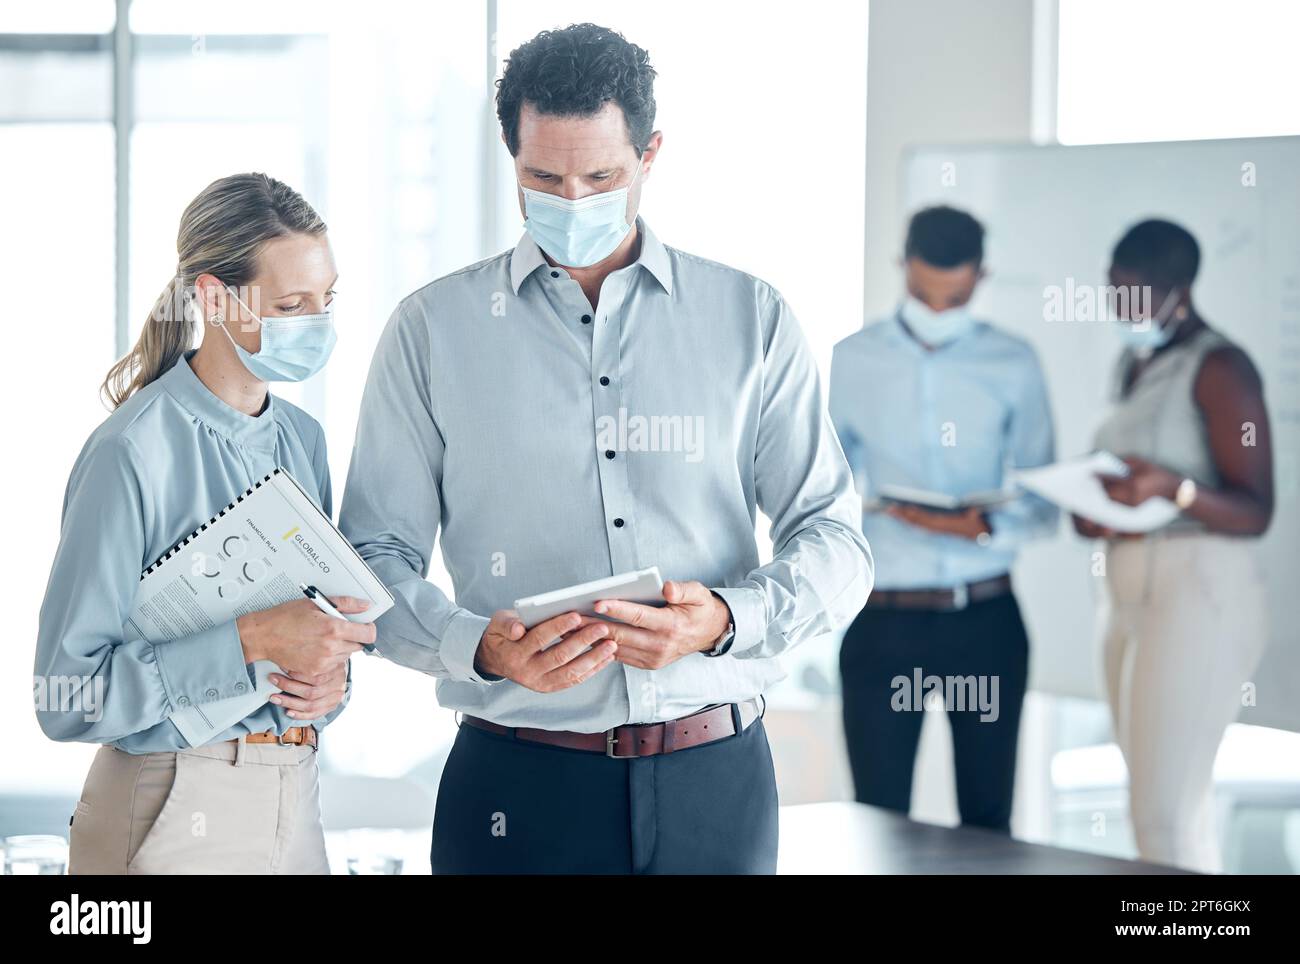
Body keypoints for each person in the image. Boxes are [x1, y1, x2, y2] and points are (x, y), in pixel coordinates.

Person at [339, 23, 872, 875]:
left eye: (602, 176)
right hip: (516, 782)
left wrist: (728, 621)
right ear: (509, 153)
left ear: (651, 153)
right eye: (543, 178)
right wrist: (476, 644)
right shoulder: (432, 332)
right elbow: (371, 557)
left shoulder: (751, 320)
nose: (574, 198)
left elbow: (837, 541)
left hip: (715, 783)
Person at [34, 173, 376, 874]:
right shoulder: (131, 451)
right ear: (216, 297)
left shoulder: (301, 441)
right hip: (171, 794)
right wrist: (249, 639)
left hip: (297, 791)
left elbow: (317, 634)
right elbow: (64, 696)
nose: (316, 322)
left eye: (326, 300)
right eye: (290, 304)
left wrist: (329, 685)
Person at [829, 206, 1057, 832]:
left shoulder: (1015, 362)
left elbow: (1045, 505)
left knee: (988, 822)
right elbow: (826, 491)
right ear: (904, 268)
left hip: (983, 619)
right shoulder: (853, 358)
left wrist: (980, 528)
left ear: (980, 277)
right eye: (923, 293)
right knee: (875, 820)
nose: (937, 308)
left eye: (952, 296)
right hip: (883, 621)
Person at [1082, 218, 1274, 874]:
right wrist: (1098, 505)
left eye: (1134, 296)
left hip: (1200, 590)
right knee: (1157, 807)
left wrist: (1176, 490)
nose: (1121, 309)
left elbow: (1256, 509)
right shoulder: (1135, 363)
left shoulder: (1221, 366)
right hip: (1128, 590)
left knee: (1164, 815)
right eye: (1114, 293)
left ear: (1177, 291)